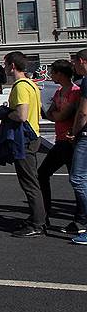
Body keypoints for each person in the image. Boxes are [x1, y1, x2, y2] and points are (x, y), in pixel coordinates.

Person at [1, 51, 45, 237]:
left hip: (25, 138)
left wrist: (5, 113)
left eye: (5, 65)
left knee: (29, 182)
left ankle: (37, 223)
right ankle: (38, 218)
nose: (4, 68)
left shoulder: (20, 86)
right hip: (33, 134)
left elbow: (21, 115)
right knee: (31, 180)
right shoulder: (31, 84)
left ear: (12, 66)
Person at [38, 59, 80, 233]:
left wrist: (55, 114)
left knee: (76, 180)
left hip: (71, 142)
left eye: (53, 72)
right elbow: (50, 114)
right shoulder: (59, 91)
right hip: (60, 141)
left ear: (60, 74)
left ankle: (80, 219)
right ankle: (45, 213)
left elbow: (60, 115)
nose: (50, 75)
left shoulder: (75, 91)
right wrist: (54, 114)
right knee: (42, 173)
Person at [67, 49, 87, 244]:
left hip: (85, 135)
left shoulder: (86, 81)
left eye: (75, 63)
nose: (75, 67)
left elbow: (83, 112)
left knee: (78, 179)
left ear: (82, 61)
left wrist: (75, 131)